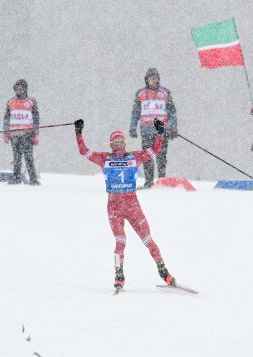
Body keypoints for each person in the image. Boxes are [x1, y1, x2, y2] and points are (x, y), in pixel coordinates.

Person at [75, 118, 176, 292]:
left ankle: (163, 271)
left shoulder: (133, 157)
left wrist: (160, 133)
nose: (118, 146)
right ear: (111, 144)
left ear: (125, 143)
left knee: (148, 239)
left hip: (132, 205)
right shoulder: (104, 158)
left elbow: (154, 151)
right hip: (114, 207)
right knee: (120, 241)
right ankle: (119, 275)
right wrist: (78, 133)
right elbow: (84, 151)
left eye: (121, 142)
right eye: (115, 143)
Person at [129, 68, 178, 188]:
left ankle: (162, 181)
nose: (153, 80)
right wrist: (132, 127)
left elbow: (172, 112)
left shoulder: (165, 93)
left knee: (161, 157)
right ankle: (149, 182)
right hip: (146, 131)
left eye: (155, 78)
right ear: (146, 80)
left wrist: (173, 128)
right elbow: (135, 112)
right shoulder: (140, 94)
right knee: (147, 157)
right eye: (151, 78)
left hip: (162, 132)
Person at [2, 79, 40, 185]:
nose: (19, 91)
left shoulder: (31, 101)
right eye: (17, 90)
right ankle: (16, 178)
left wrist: (36, 133)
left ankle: (33, 179)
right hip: (14, 134)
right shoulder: (11, 102)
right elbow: (6, 118)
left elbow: (36, 118)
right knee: (16, 157)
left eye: (21, 89)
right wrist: (5, 132)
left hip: (27, 133)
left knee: (28, 156)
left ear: (25, 90)